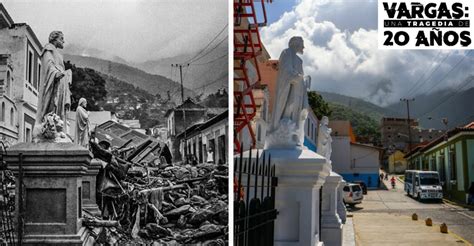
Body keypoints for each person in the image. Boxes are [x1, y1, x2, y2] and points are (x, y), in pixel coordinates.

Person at [266, 36, 309, 147]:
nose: (303, 47)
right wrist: (295, 76)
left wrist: (304, 80)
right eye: (301, 44)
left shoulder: (299, 60)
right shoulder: (286, 53)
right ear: (295, 44)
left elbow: (301, 75)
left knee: (295, 110)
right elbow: (285, 70)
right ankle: (283, 128)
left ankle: (293, 133)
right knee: (288, 106)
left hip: (298, 91)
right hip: (288, 88)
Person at [36, 31, 72, 125]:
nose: (63, 41)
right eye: (61, 39)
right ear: (54, 39)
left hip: (61, 82)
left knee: (59, 109)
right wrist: (56, 73)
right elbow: (48, 64)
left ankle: (58, 127)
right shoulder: (48, 49)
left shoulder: (58, 53)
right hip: (54, 81)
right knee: (52, 105)